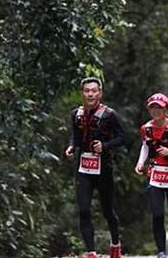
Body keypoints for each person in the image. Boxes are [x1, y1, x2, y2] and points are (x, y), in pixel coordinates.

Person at [65, 77, 125, 258]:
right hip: (83, 168)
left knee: (108, 210)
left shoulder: (109, 114)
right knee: (84, 210)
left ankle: (115, 244)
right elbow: (75, 136)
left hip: (103, 168)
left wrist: (104, 146)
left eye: (93, 90)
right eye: (86, 91)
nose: (90, 94)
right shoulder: (76, 114)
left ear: (100, 93)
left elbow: (122, 138)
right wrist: (71, 147)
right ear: (82, 93)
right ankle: (91, 252)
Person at [134, 93, 168, 258]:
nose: (156, 110)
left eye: (159, 107)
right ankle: (161, 252)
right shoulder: (145, 128)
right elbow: (145, 147)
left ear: (165, 109)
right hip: (155, 175)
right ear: (149, 109)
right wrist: (140, 163)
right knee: (157, 214)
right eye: (152, 107)